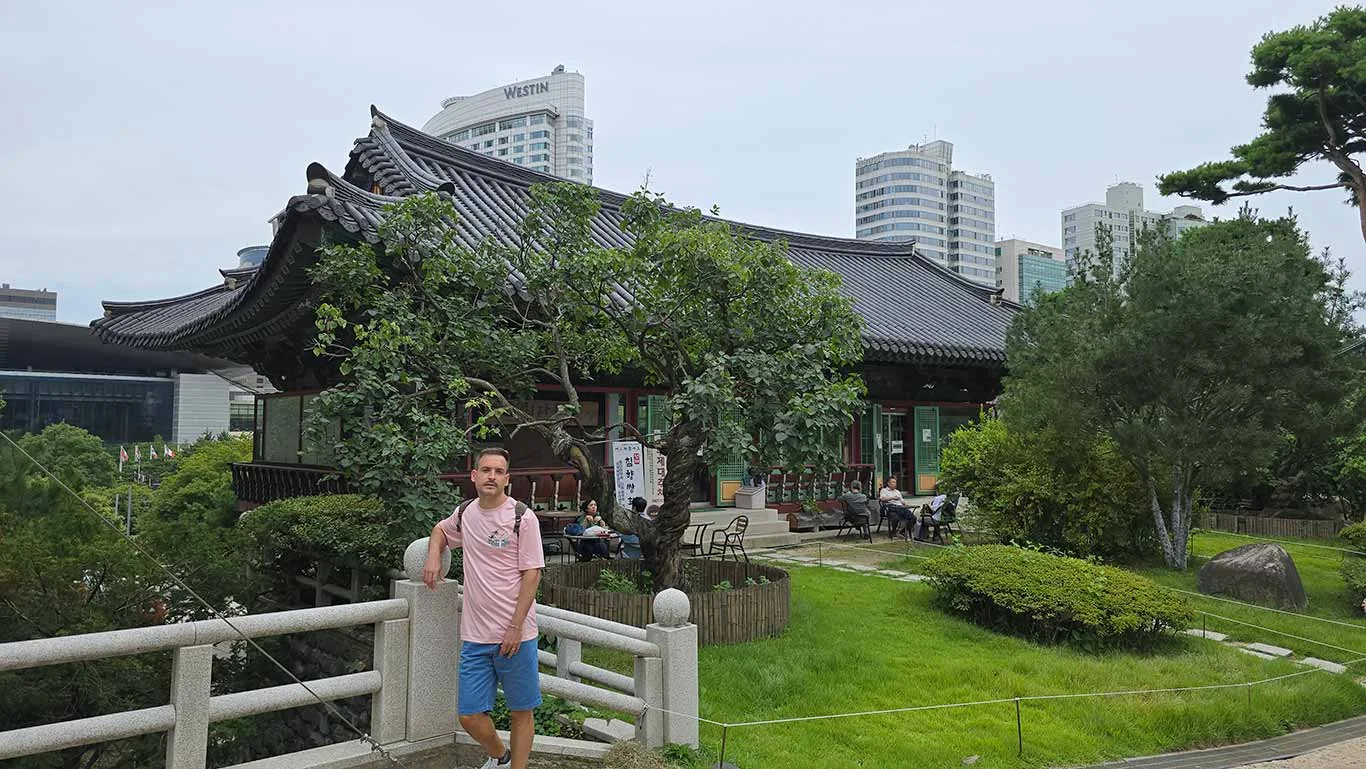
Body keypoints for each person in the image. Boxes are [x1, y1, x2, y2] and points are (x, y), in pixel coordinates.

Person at [422, 448, 543, 769]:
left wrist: (516, 627)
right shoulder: (465, 514)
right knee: (469, 715)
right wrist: (434, 553)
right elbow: (440, 529)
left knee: (521, 711)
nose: (492, 476)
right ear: (474, 476)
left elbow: (532, 574)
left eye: (498, 471)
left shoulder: (522, 517)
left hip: (516, 633)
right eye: (485, 470)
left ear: (507, 479)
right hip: (476, 636)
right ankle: (500, 756)